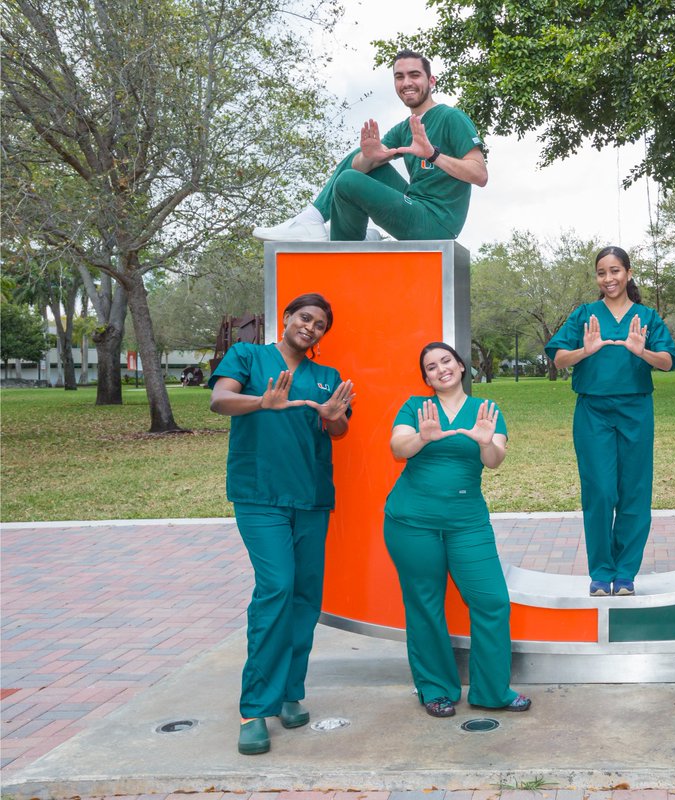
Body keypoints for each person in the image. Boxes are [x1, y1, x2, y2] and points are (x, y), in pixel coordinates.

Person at [208, 293, 356, 755]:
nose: (311, 327)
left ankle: (290, 691)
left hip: (310, 497)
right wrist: (263, 403)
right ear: (288, 318)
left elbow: (338, 429)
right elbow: (219, 400)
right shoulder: (248, 355)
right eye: (305, 318)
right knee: (276, 588)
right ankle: (255, 708)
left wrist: (333, 419)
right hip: (260, 495)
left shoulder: (326, 376)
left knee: (305, 596)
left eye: (320, 325)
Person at [383, 342, 530, 718]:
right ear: (426, 377)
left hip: (468, 523)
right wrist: (423, 437)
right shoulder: (417, 408)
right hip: (412, 523)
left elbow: (495, 460)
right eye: (431, 367)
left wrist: (485, 442)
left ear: (461, 366)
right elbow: (398, 447)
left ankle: (492, 691)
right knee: (424, 605)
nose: (440, 369)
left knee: (492, 601)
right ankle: (436, 690)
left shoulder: (486, 410)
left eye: (446, 361)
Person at [545, 246, 675, 597]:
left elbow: (667, 361)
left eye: (615, 271)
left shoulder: (646, 317)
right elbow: (559, 359)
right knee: (601, 491)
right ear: (597, 277)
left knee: (634, 492)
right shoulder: (585, 315)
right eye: (602, 272)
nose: (609, 278)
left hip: (636, 411)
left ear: (629, 273)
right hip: (593, 412)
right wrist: (585, 352)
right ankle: (601, 572)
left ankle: (625, 574)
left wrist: (641, 352)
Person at [253, 50, 487, 242]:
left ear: (431, 81)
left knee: (347, 182)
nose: (407, 83)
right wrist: (369, 157)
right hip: (413, 204)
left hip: (436, 223)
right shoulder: (404, 128)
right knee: (359, 158)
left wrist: (433, 154)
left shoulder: (451, 118)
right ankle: (318, 222)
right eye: (399, 77)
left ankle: (334, 233)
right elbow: (358, 164)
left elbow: (480, 175)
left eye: (414, 75)